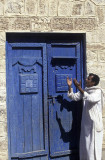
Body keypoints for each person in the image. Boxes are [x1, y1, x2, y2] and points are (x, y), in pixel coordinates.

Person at [67, 73, 104, 160]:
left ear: (93, 82)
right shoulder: (86, 91)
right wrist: (70, 86)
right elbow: (74, 97)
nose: (86, 80)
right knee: (86, 146)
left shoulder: (98, 91)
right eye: (87, 78)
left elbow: (91, 99)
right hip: (86, 123)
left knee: (93, 147)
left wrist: (79, 88)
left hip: (94, 124)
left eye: (89, 79)